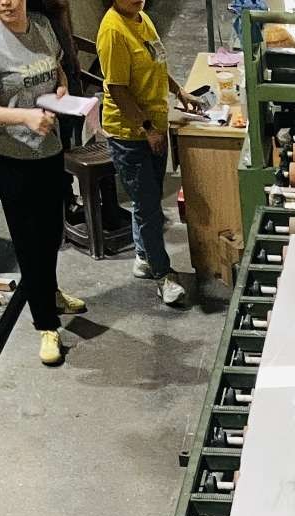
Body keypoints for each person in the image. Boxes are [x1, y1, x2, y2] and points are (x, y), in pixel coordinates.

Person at [0, 0, 85, 367]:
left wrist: (61, 89)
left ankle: (49, 291)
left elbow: (57, 69)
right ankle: (46, 325)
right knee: (29, 241)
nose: (6, 1)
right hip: (12, 158)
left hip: (48, 149)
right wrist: (24, 117)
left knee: (51, 232)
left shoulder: (41, 27)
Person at [97, 0, 200, 307]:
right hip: (130, 135)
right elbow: (118, 90)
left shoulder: (141, 18)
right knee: (149, 206)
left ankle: (143, 257)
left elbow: (156, 63)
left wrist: (179, 90)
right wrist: (146, 129)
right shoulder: (113, 31)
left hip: (154, 123)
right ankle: (163, 275)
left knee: (148, 200)